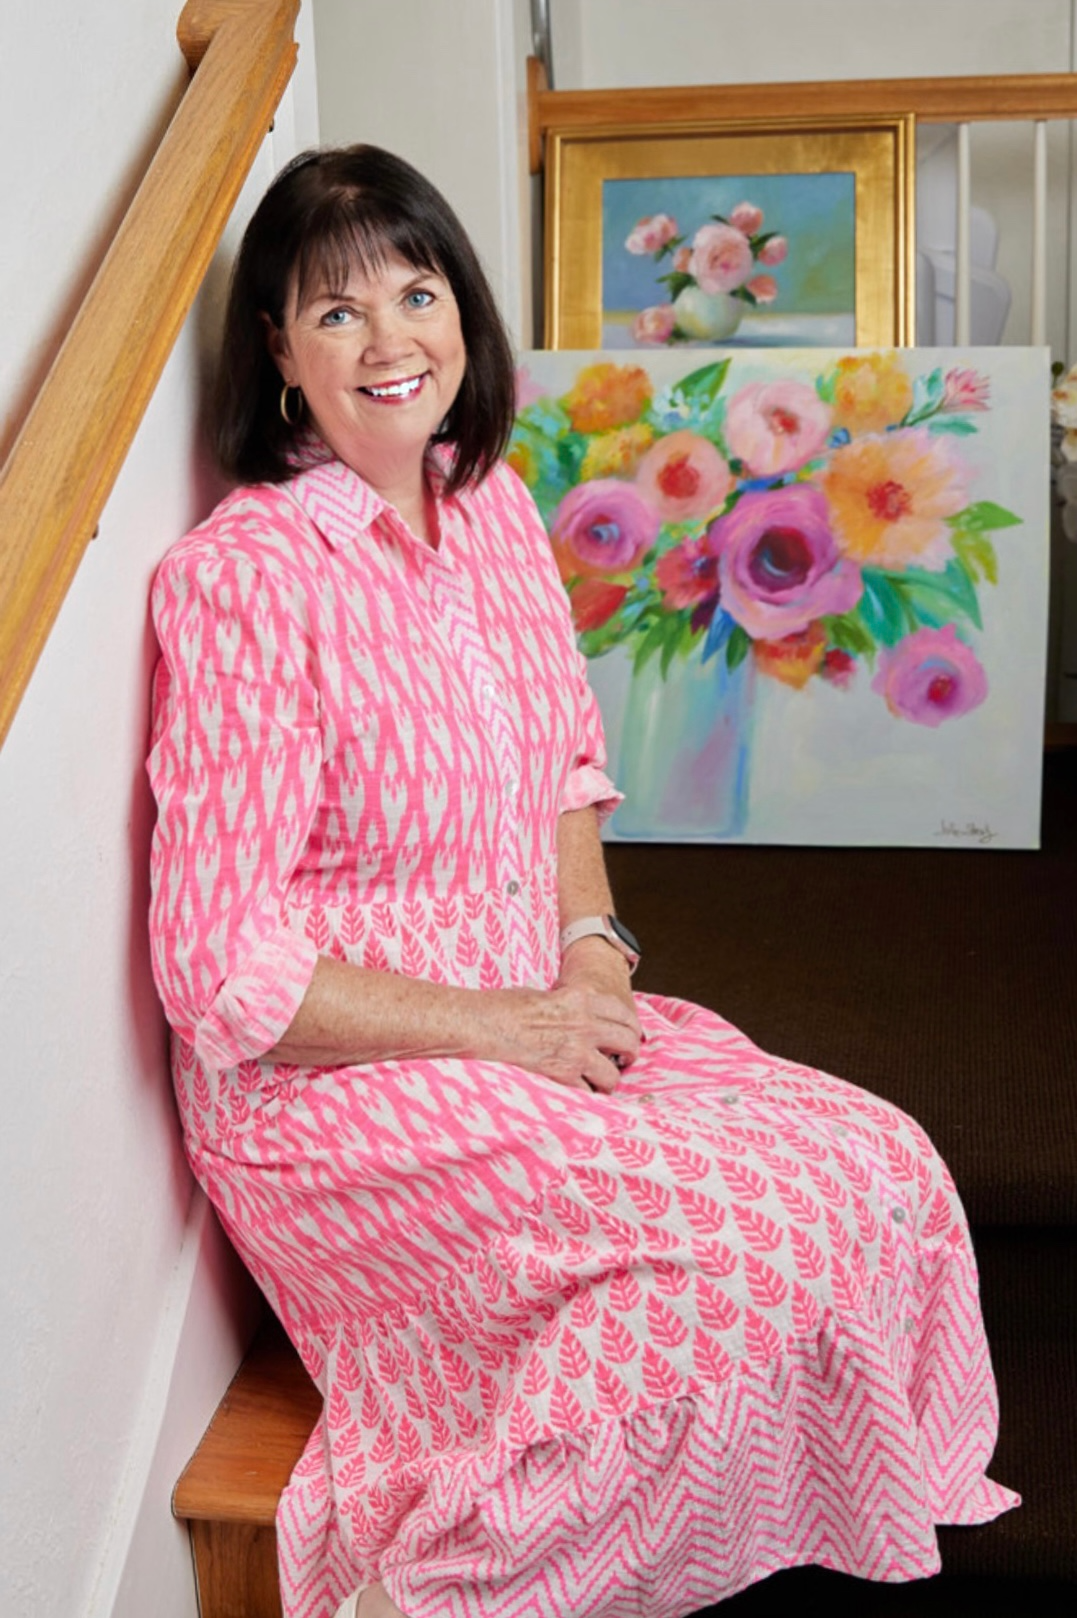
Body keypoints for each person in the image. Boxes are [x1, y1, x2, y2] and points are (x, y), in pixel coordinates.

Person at [147, 146, 1016, 1618]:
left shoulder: (485, 507)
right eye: (337, 311)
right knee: (736, 1255)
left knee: (882, 1166)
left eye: (416, 293)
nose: (390, 339)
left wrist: (596, 952)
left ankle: (733, 1537)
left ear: (464, 316)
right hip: (336, 1089)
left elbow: (562, 767)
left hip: (534, 1006)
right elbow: (219, 967)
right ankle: (450, 1588)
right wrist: (512, 1031)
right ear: (279, 355)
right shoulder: (248, 577)